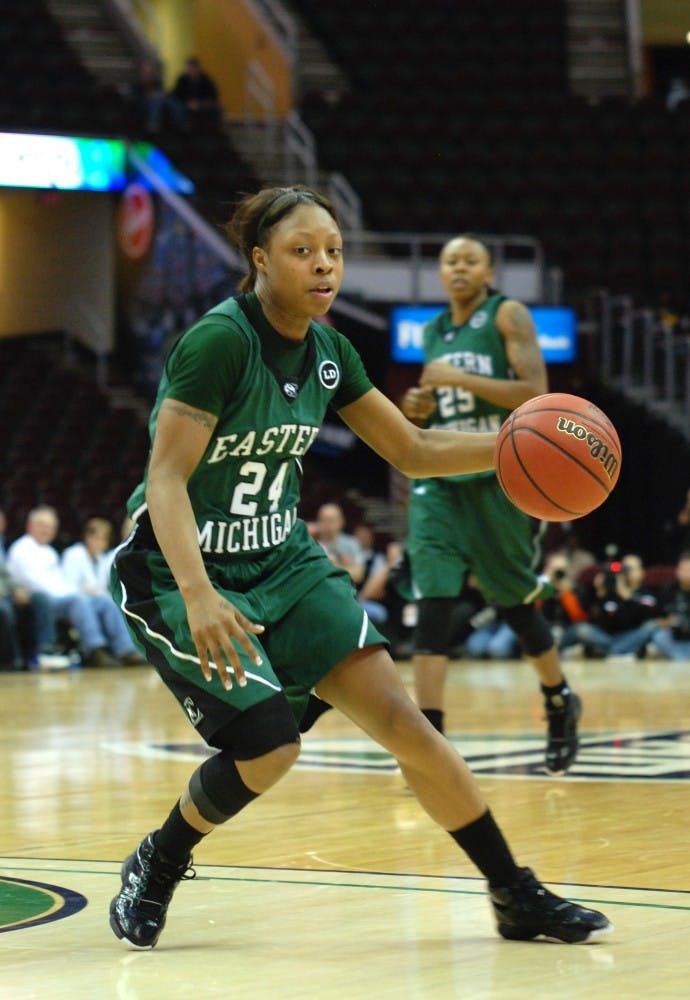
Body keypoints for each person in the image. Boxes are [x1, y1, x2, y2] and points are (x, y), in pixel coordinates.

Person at [107, 186, 610, 950]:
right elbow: (168, 477)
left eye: (334, 252)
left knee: (410, 728)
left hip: (285, 560)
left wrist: (516, 446)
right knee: (271, 747)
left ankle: (515, 894)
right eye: (303, 250)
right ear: (259, 260)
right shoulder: (220, 342)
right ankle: (160, 859)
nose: (323, 266)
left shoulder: (330, 352)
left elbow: (411, 451)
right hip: (182, 568)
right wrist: (200, 594)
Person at [400, 234, 581, 774]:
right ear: (440, 272)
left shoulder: (509, 315)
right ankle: (430, 743)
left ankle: (559, 701)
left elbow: (535, 393)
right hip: (439, 478)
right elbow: (431, 411)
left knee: (515, 602)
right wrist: (417, 406)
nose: (458, 267)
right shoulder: (433, 330)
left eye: (469, 260)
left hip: (500, 474)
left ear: (488, 271)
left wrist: (459, 378)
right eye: (450, 261)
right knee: (432, 603)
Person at [7, 505, 123, 668]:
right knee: (78, 600)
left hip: (61, 598)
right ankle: (95, 649)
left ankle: (125, 650)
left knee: (105, 601)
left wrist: (77, 592)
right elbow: (36, 584)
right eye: (43, 526)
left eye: (52, 527)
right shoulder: (22, 549)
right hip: (40, 602)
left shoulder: (50, 552)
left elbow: (61, 582)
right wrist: (73, 593)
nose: (48, 530)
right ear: (30, 526)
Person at [61, 518, 146, 666]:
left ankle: (125, 650)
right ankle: (96, 650)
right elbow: (67, 585)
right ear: (87, 537)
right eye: (97, 537)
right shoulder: (74, 554)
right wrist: (87, 590)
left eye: (104, 539)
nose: (100, 542)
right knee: (90, 601)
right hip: (75, 600)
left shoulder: (102, 559)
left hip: (94, 600)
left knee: (111, 601)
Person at [560, 554, 658, 659]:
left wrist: (627, 597)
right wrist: (599, 592)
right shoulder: (609, 591)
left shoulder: (646, 594)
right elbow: (597, 619)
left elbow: (648, 614)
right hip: (607, 637)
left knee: (652, 626)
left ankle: (612, 651)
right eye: (624, 568)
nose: (627, 573)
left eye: (631, 569)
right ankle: (619, 651)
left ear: (642, 572)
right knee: (582, 628)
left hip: (631, 636)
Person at [647, 552, 690, 661]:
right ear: (677, 571)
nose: (686, 573)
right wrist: (667, 622)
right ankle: (682, 657)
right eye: (683, 569)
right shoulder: (668, 590)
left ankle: (681, 656)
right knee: (658, 636)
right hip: (674, 636)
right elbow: (656, 618)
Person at [313, 502, 366, 585]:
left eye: (331, 521)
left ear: (341, 522)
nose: (327, 525)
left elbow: (359, 574)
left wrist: (331, 566)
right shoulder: (312, 544)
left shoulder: (352, 543)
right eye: (323, 520)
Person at [171, 57, 221, 128]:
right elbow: (177, 94)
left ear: (197, 69)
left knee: (216, 108)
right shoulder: (182, 79)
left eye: (191, 68)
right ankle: (184, 129)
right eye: (187, 69)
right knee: (177, 108)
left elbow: (213, 94)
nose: (189, 71)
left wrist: (201, 103)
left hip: (202, 103)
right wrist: (188, 103)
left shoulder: (205, 79)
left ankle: (216, 130)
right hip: (185, 103)